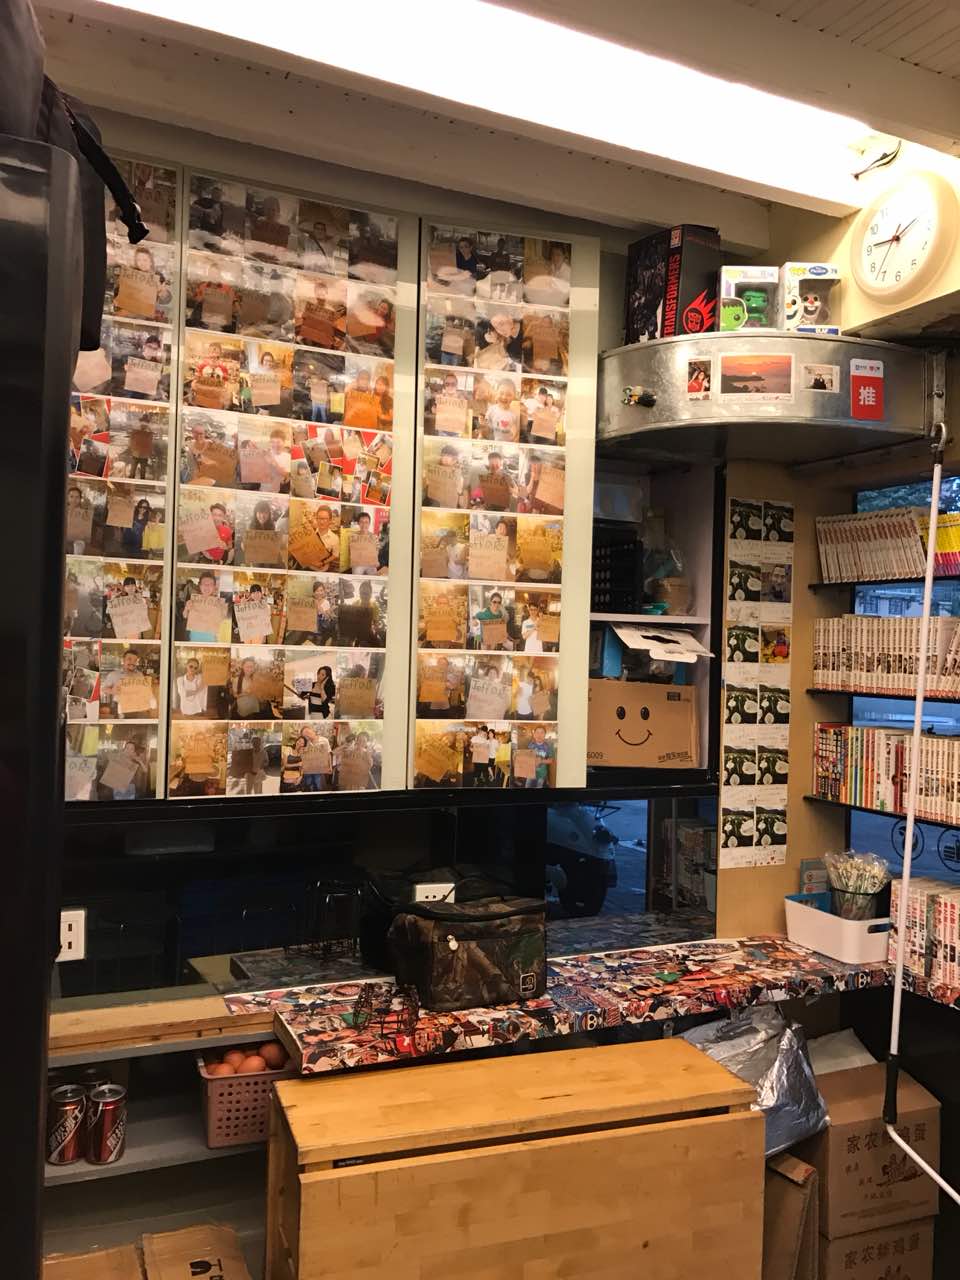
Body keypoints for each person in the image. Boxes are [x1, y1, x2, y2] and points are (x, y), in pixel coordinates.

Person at [101, 649, 147, 719]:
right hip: (119, 707)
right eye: (129, 659)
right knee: (120, 725)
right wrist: (113, 691)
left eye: (135, 660)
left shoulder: (140, 675)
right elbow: (104, 689)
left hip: (136, 707)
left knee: (135, 725)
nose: (132, 662)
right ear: (123, 660)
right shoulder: (114, 674)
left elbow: (144, 690)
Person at [183, 571, 223, 642]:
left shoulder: (218, 604)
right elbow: (185, 616)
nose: (207, 586)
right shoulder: (193, 601)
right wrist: (186, 608)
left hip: (212, 640)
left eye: (210, 584)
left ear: (214, 587)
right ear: (200, 585)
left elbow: (223, 622)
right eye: (204, 584)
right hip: (195, 639)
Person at [312, 504, 341, 571]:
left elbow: (335, 555)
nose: (321, 521)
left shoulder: (335, 538)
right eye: (319, 518)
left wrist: (323, 562)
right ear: (316, 519)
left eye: (325, 519)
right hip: (308, 566)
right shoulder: (311, 534)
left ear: (330, 520)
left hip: (322, 569)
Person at [525, 725, 554, 789]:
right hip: (530, 773)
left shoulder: (548, 746)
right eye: (537, 732)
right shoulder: (530, 745)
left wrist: (541, 761)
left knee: (539, 787)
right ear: (534, 735)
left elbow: (551, 760)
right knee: (527, 786)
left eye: (542, 733)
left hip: (541, 774)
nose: (539, 735)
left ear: (545, 735)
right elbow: (527, 758)